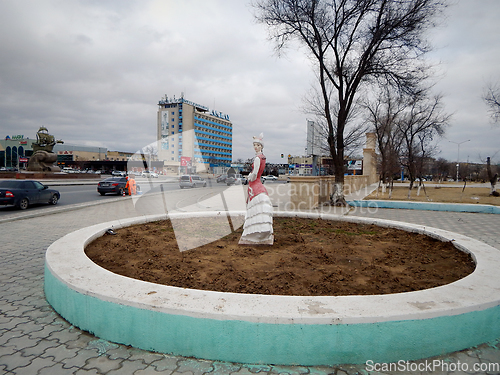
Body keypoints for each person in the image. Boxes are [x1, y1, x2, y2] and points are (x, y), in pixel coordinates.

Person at [239, 133, 274, 245]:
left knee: (254, 209)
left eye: (258, 145)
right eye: (254, 144)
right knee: (258, 209)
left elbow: (255, 174)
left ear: (261, 146)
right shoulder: (263, 157)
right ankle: (261, 232)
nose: (255, 147)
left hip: (255, 185)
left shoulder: (258, 159)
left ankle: (254, 233)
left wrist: (248, 176)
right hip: (258, 185)